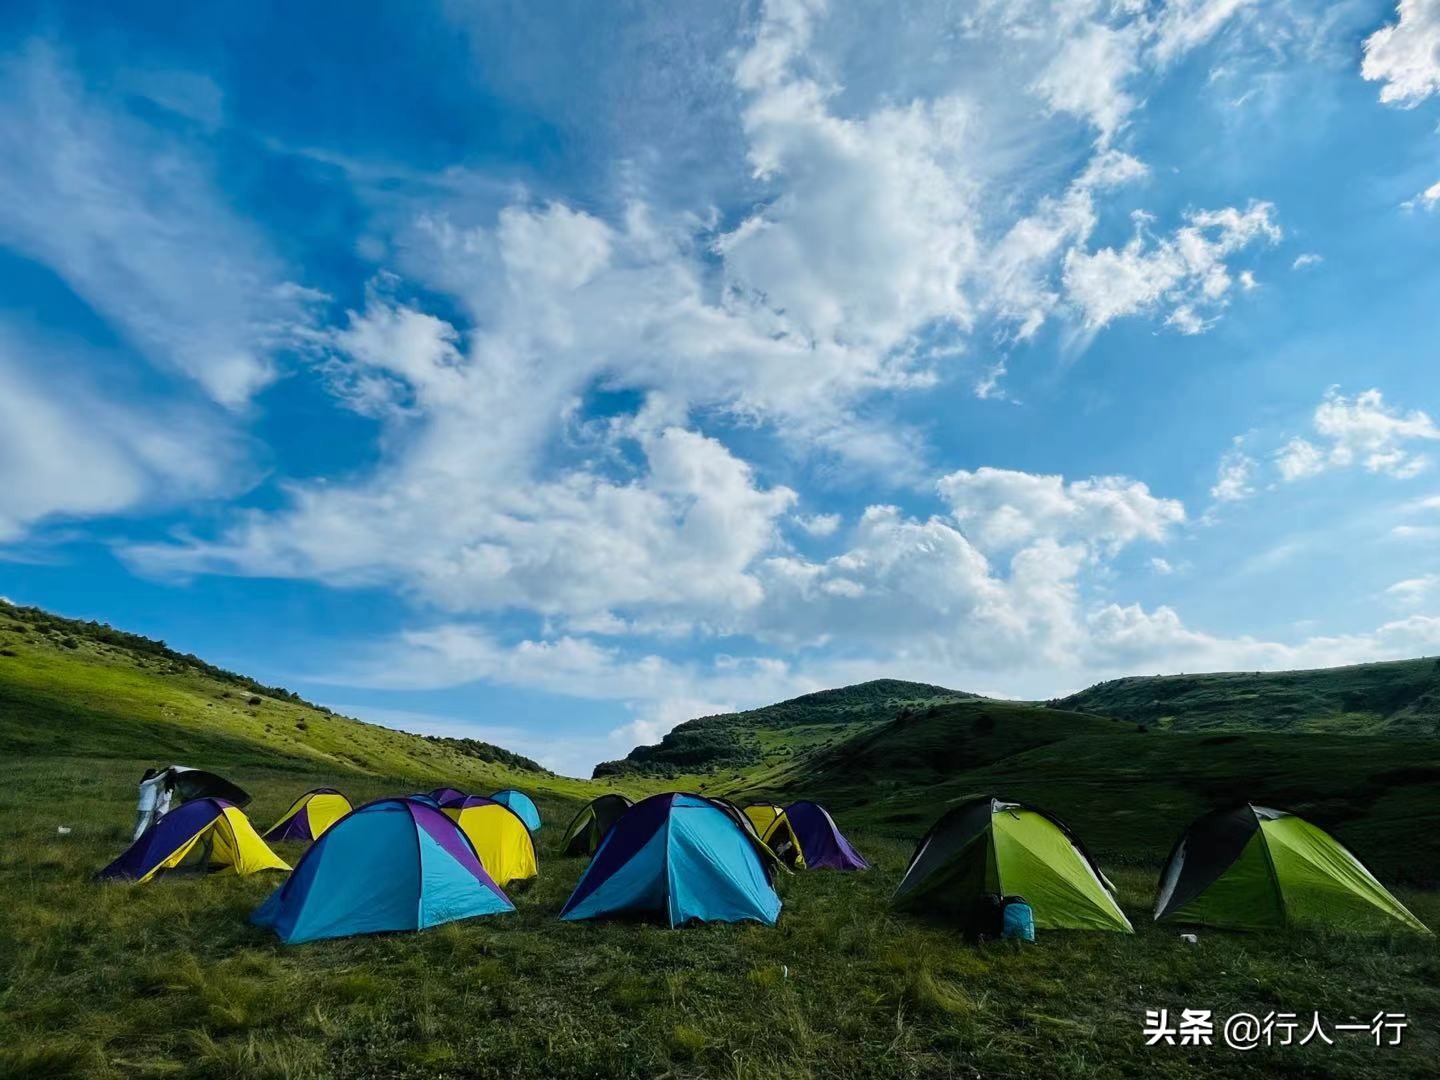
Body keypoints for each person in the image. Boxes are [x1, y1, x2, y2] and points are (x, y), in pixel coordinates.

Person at [133, 769, 164, 840]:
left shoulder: (146, 783)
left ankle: (135, 836)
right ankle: (136, 839)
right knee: (143, 823)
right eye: (154, 774)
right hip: (147, 807)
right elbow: (157, 779)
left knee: (139, 822)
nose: (155, 775)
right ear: (151, 774)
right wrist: (167, 772)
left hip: (142, 806)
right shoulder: (147, 782)